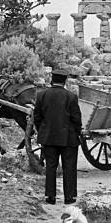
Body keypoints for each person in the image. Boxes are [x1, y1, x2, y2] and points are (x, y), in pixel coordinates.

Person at [33, 69, 82, 205]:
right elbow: (76, 119)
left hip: (49, 137)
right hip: (68, 138)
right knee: (69, 167)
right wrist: (77, 132)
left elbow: (37, 117)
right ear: (65, 81)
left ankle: (50, 196)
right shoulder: (71, 97)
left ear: (52, 80)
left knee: (51, 167)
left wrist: (42, 130)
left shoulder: (41, 95)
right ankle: (69, 197)